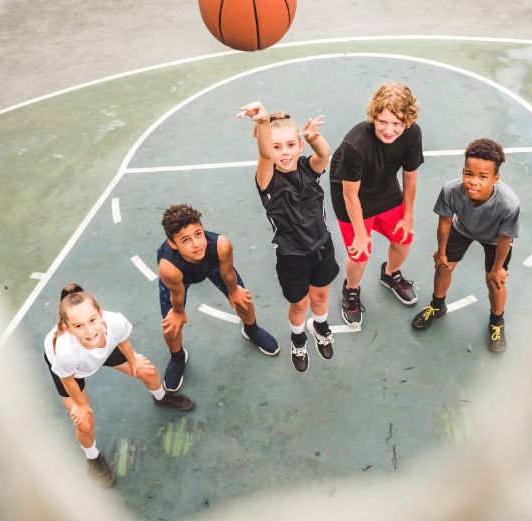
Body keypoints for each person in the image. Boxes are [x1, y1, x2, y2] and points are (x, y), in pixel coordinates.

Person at [44, 283, 194, 488]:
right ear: (66, 328)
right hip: (72, 371)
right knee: (84, 423)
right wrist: (81, 406)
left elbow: (123, 341)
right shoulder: (64, 352)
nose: (89, 330)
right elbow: (68, 379)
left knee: (147, 370)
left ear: (100, 313)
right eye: (78, 325)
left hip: (104, 352)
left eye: (92, 320)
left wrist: (133, 362)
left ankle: (162, 397)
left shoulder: (114, 321)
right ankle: (92, 457)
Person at [236, 101, 339, 373]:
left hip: (322, 247)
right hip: (292, 255)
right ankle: (298, 338)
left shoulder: (309, 167)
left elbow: (325, 155)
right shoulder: (267, 179)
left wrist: (315, 139)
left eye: (290, 145)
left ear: (300, 146)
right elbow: (266, 157)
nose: (284, 152)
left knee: (320, 296)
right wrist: (262, 124)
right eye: (277, 146)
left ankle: (320, 326)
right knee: (299, 303)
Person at [329, 82, 424, 326]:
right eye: (382, 121)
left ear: (408, 120)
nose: (389, 130)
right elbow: (350, 195)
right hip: (351, 195)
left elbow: (410, 176)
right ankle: (351, 290)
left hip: (384, 188)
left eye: (396, 123)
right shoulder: (356, 144)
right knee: (360, 254)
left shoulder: (413, 134)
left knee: (404, 239)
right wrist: (361, 234)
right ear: (373, 115)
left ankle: (390, 274)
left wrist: (409, 215)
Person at [410, 138, 519, 353]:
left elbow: (506, 237)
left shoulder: (509, 203)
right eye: (469, 174)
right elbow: (444, 222)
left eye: (483, 177)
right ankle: (437, 305)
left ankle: (497, 321)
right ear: (463, 172)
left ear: (496, 178)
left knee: (495, 282)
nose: (473, 181)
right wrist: (441, 253)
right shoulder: (451, 190)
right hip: (463, 228)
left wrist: (497, 269)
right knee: (443, 266)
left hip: (495, 239)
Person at [157, 204, 279, 389]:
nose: (197, 243)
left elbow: (228, 274)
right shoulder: (168, 268)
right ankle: (178, 357)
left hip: (212, 265)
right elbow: (177, 293)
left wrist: (233, 291)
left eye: (198, 234)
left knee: (243, 300)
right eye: (186, 239)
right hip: (181, 277)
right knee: (171, 327)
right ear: (173, 244)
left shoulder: (221, 245)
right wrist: (178, 312)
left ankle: (251, 330)